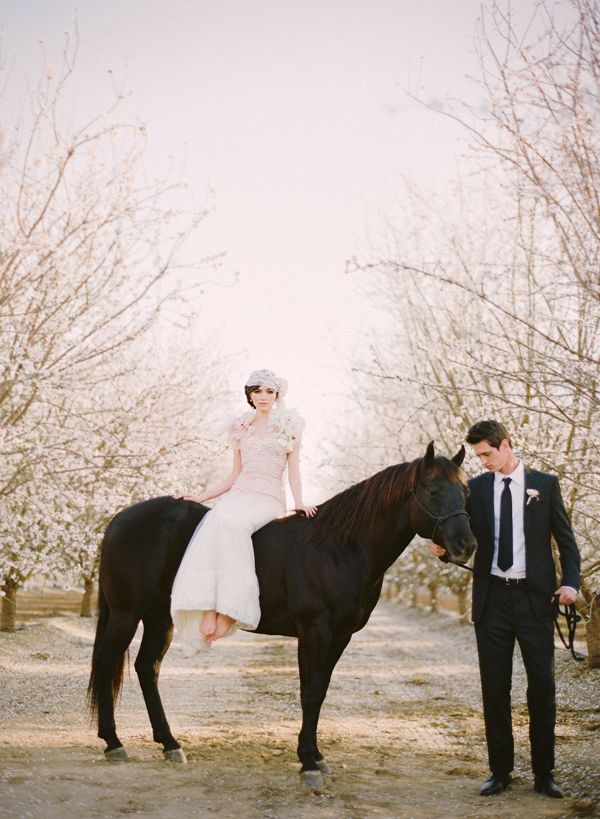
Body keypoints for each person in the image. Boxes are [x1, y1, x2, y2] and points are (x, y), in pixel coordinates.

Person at [430, 420, 580, 799]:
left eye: (487, 454)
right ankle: (500, 771)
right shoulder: (475, 489)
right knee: (494, 688)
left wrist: (571, 583)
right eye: (478, 456)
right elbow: (465, 539)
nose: (483, 462)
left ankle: (544, 774)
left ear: (505, 444)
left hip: (535, 599)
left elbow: (565, 540)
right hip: (492, 599)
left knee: (541, 687)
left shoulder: (544, 485)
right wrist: (445, 552)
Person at [170, 368, 316, 649]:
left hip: (268, 498)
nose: (263, 397)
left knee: (235, 526)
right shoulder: (240, 428)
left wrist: (298, 502)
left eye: (269, 392)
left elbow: (294, 471)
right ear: (249, 395)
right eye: (258, 391)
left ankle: (229, 611)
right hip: (240, 493)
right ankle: (210, 608)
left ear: (277, 395)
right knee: (215, 520)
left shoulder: (289, 427)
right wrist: (201, 498)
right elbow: (234, 475)